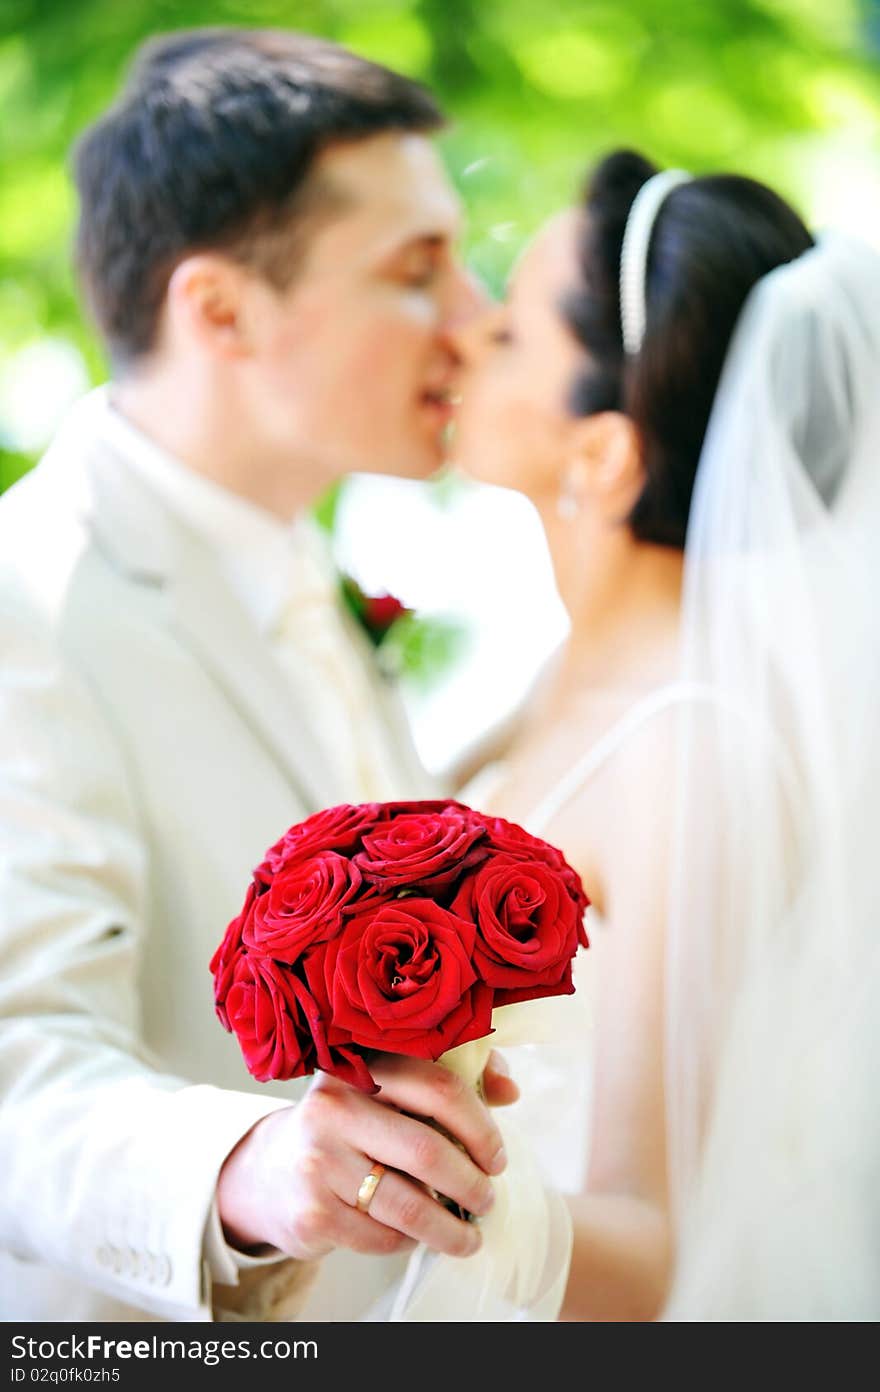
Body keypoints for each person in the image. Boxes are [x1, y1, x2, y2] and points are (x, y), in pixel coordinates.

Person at [0, 28, 518, 1323]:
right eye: (419, 269)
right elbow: (20, 1071)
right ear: (221, 310)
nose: (477, 317)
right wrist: (250, 1168)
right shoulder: (27, 599)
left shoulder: (300, 565)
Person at [452, 149, 880, 1318]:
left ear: (601, 451)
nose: (464, 332)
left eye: (512, 336)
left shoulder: (687, 753)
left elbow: (651, 1254)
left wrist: (393, 1191)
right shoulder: (553, 674)